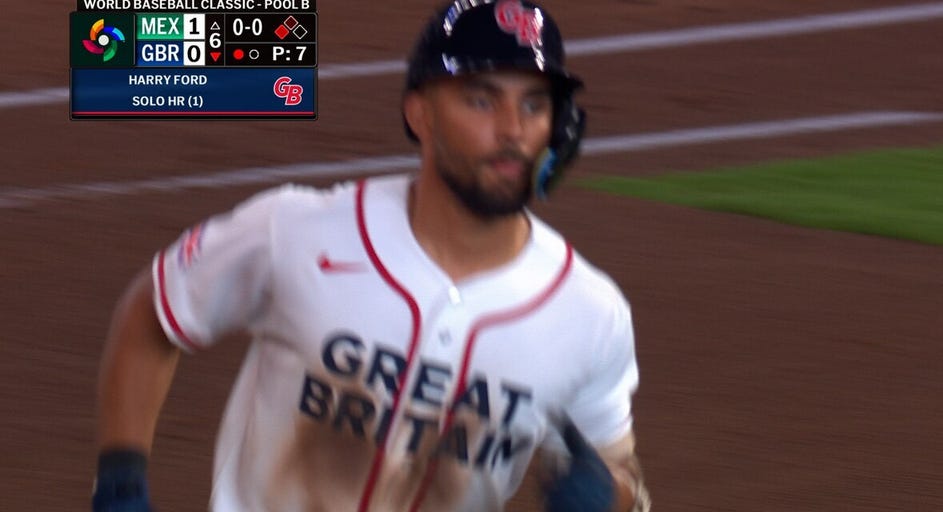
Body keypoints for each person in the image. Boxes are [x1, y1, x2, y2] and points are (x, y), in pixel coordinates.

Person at [92, 1, 651, 511]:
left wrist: (610, 499)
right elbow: (155, 312)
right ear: (420, 114)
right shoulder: (296, 230)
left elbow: (620, 470)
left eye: (534, 105)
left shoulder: (590, 312)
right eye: (481, 99)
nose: (512, 131)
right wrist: (121, 478)